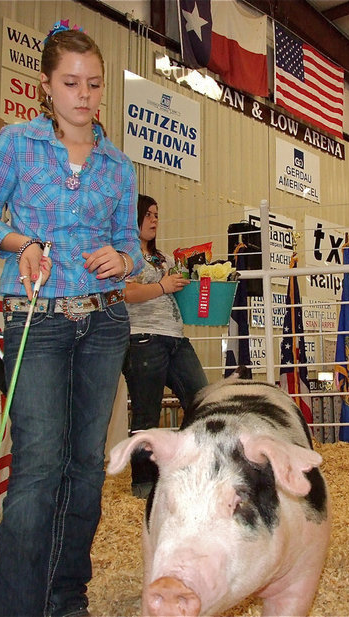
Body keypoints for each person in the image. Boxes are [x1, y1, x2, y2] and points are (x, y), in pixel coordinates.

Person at [0, 21, 142, 617]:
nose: (84, 95)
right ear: (46, 85)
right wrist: (21, 243)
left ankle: (67, 601)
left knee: (86, 466)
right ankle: (17, 608)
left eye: (93, 84)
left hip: (103, 320)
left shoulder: (118, 166)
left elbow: (130, 247)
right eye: (71, 82)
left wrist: (122, 258)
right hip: (36, 318)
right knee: (39, 463)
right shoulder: (16, 143)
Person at [122, 194, 209, 498]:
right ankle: (144, 485)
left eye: (157, 214)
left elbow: (174, 292)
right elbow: (124, 293)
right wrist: (163, 286)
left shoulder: (165, 259)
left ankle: (190, 469)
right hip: (143, 338)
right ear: (133, 217)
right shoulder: (125, 255)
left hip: (175, 337)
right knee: (146, 413)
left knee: (202, 400)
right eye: (148, 214)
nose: (154, 220)